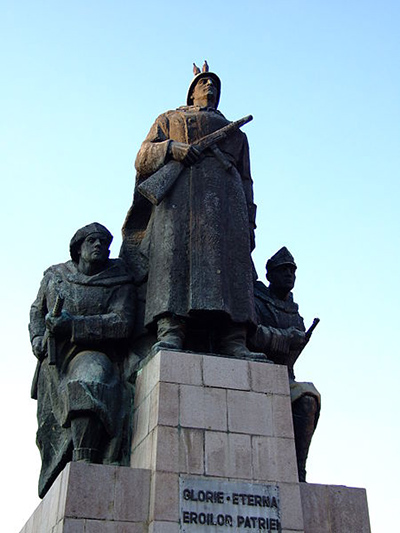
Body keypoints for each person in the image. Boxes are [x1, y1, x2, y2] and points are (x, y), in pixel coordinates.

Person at [121, 62, 265, 359]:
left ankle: (234, 339)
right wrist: (173, 149)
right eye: (203, 83)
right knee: (173, 259)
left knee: (232, 269)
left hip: (227, 202)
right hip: (179, 198)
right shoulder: (169, 119)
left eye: (214, 83)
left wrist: (249, 220)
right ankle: (170, 331)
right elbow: (142, 156)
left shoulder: (236, 134)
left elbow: (247, 178)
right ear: (191, 93)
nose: (209, 86)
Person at [29, 223, 135, 497]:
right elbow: (37, 311)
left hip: (94, 351)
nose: (99, 245)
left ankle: (85, 458)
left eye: (104, 241)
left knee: (88, 382)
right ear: (78, 248)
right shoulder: (55, 276)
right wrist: (38, 338)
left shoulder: (119, 280)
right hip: (54, 360)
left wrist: (74, 325)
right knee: (48, 430)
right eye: (92, 240)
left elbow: (122, 323)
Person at [249, 247, 321, 482]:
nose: (289, 274)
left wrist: (297, 343)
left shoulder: (295, 314)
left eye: (292, 270)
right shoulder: (255, 300)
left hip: (283, 378)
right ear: (270, 275)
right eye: (283, 270)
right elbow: (250, 334)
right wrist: (285, 338)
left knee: (308, 399)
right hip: (253, 371)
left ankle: (299, 469)